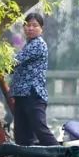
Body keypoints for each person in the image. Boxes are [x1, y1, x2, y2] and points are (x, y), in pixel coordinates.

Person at [10, 12, 58, 146]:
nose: (30, 28)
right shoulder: (28, 45)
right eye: (27, 25)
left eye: (34, 25)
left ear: (41, 29)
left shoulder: (37, 44)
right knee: (21, 135)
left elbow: (14, 63)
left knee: (41, 131)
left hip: (33, 94)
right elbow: (13, 68)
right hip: (21, 95)